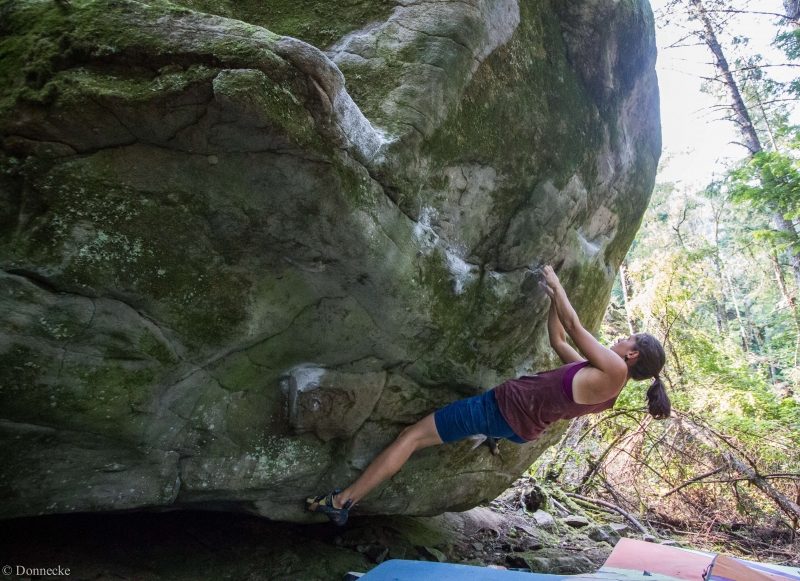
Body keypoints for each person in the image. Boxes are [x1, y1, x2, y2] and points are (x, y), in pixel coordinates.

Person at [306, 265, 670, 525]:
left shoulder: (615, 371)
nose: (621, 338)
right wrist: (552, 296)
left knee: (412, 437)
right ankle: (491, 438)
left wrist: (559, 286)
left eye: (628, 339)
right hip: (520, 427)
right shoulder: (604, 384)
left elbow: (574, 327)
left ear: (632, 355)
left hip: (499, 410)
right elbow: (558, 339)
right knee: (473, 423)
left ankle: (342, 501)